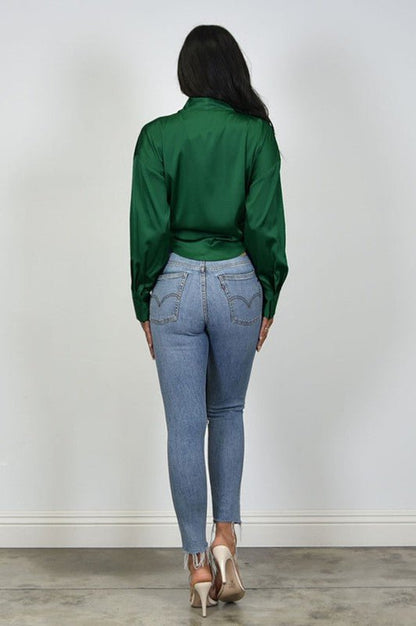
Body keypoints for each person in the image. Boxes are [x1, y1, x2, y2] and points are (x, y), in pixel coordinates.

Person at [129, 24, 289, 618]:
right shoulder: (256, 133)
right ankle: (226, 539)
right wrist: (268, 293)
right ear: (233, 70)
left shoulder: (157, 136)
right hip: (236, 284)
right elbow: (265, 224)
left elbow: (148, 228)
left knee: (183, 426)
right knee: (227, 411)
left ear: (186, 74)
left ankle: (197, 563)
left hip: (172, 283)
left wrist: (144, 298)